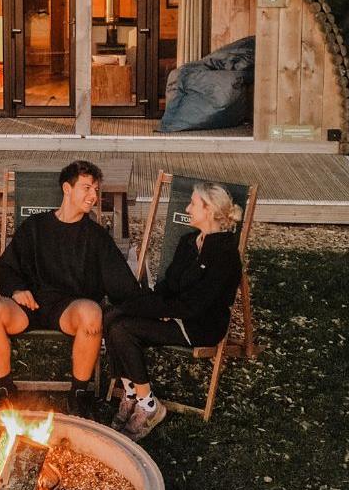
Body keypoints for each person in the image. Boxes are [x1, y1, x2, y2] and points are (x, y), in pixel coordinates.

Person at [0, 160, 141, 418]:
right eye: (87, 188)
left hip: (69, 309)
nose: (94, 196)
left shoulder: (95, 236)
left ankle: (79, 394)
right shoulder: (35, 226)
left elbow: (121, 282)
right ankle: (6, 390)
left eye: (96, 190)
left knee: (91, 312)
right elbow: (7, 267)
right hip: (27, 306)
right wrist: (17, 289)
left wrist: (151, 305)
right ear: (67, 188)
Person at [104, 182, 245, 440]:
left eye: (193, 204)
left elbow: (198, 305)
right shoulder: (188, 242)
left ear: (210, 210)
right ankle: (131, 392)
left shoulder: (225, 255)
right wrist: (155, 304)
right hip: (175, 312)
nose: (187, 208)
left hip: (199, 325)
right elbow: (169, 283)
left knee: (123, 328)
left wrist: (156, 310)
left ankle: (149, 407)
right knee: (112, 316)